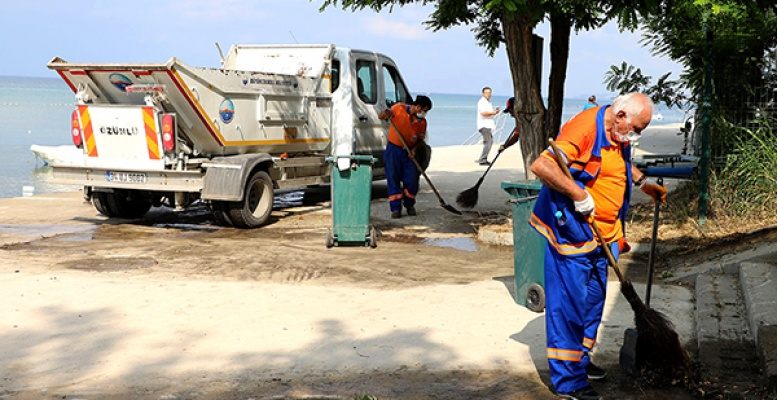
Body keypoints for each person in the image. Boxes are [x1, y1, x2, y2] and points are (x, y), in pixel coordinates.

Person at [529, 92, 667, 400]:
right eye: (637, 128)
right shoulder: (585, 128)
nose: (636, 134)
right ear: (620, 116)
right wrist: (579, 195)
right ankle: (568, 381)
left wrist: (644, 183)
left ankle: (580, 360)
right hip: (573, 231)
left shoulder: (618, 132)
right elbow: (542, 166)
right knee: (569, 305)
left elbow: (618, 165)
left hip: (605, 234)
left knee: (592, 300)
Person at [378, 95, 433, 219]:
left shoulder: (422, 123)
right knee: (393, 178)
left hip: (409, 153)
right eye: (424, 110)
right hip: (393, 150)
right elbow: (381, 116)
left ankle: (409, 204)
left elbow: (420, 139)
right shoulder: (398, 108)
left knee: (412, 179)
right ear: (418, 107)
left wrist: (414, 149)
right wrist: (386, 114)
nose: (425, 114)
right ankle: (396, 208)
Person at [476, 87, 500, 166]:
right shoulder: (482, 102)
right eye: (486, 93)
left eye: (489, 93)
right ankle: (482, 159)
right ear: (483, 93)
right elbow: (483, 113)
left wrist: (495, 112)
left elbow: (488, 113)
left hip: (487, 125)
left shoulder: (488, 102)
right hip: (484, 125)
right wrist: (493, 112)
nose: (488, 94)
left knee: (488, 141)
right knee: (489, 141)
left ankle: (482, 158)